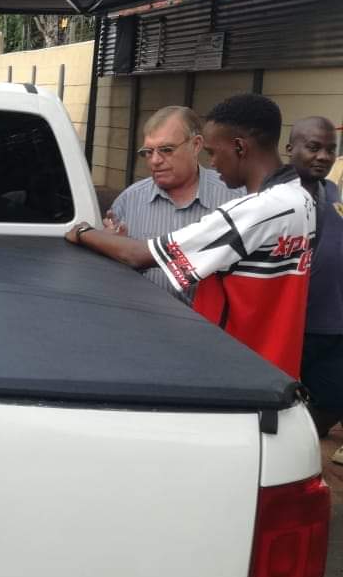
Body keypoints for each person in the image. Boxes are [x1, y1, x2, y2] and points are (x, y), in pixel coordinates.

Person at [66, 94, 315, 378]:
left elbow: (139, 255)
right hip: (271, 369)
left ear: (239, 147)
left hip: (235, 370)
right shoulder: (301, 199)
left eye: (213, 152)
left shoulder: (252, 212)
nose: (214, 162)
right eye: (148, 152)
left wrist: (84, 232)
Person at [104, 106, 242, 299]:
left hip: (207, 326)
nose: (155, 160)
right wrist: (112, 247)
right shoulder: (129, 201)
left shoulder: (234, 198)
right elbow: (107, 275)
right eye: (148, 152)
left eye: (166, 150)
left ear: (196, 145)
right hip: (140, 319)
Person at [286, 117, 343, 461]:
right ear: (290, 149)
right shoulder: (277, 195)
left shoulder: (332, 191)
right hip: (296, 326)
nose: (323, 156)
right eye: (313, 147)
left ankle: (304, 447)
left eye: (330, 149)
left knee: (333, 397)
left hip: (332, 323)